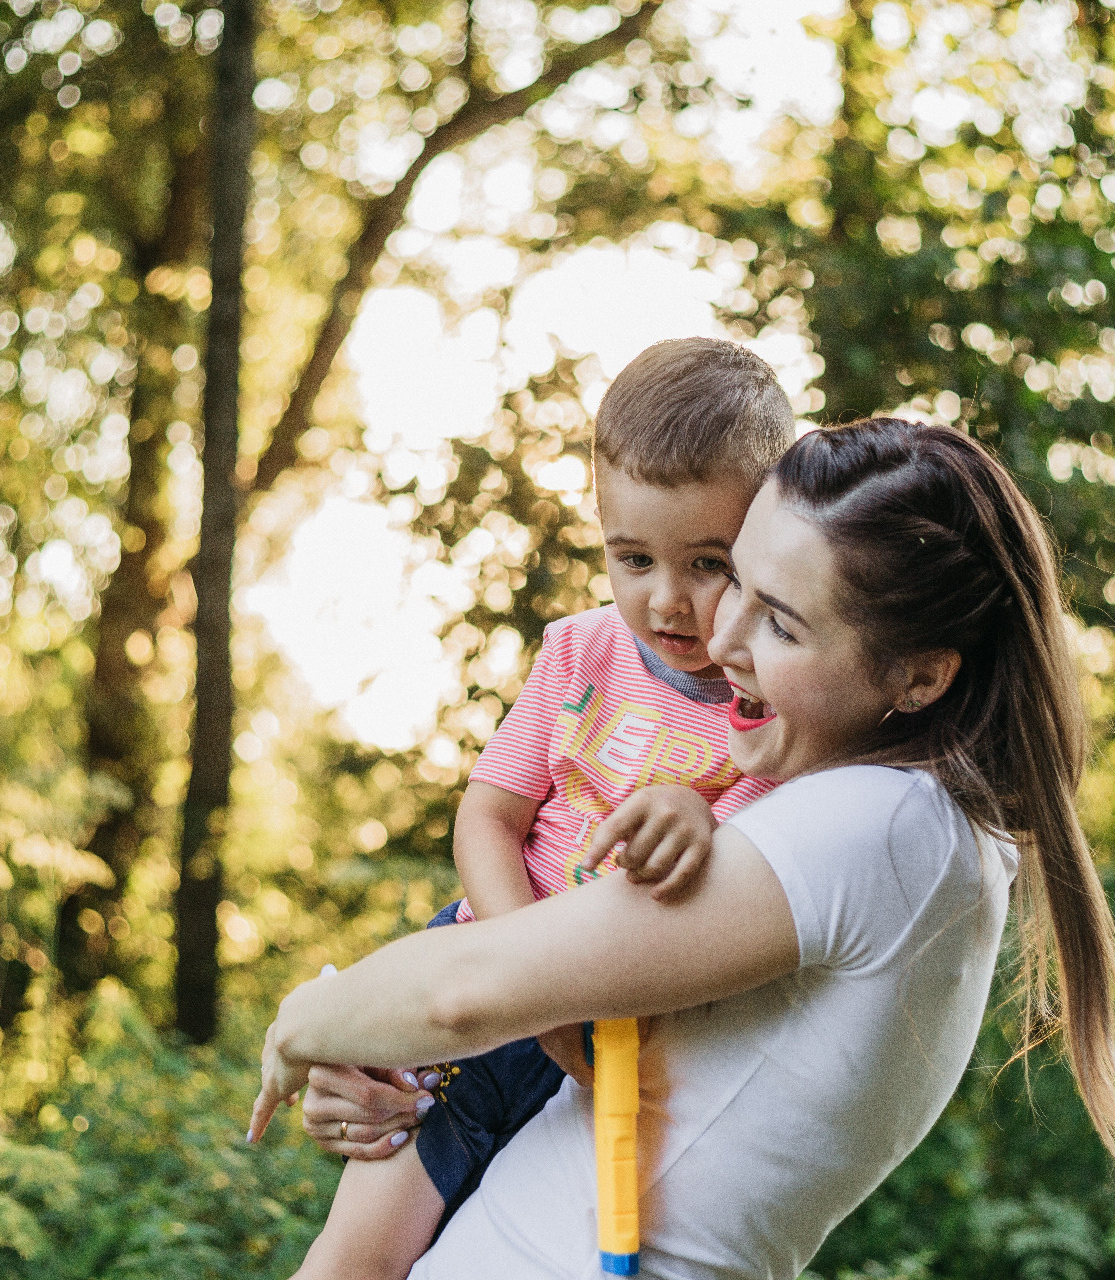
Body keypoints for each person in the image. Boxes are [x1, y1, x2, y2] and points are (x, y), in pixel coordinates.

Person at [251, 417, 1115, 1280]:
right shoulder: (890, 822)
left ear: (919, 677)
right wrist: (384, 1072)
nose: (718, 640)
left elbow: (461, 996)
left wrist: (307, 1024)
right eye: (741, 584)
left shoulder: (876, 828)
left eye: (780, 621)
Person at [288, 338, 797, 1280]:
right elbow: (488, 819)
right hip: (483, 1002)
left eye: (709, 564)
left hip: (625, 1039)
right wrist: (522, 973)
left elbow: (763, 869)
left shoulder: (775, 703)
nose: (667, 601)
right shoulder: (579, 653)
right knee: (354, 1258)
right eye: (633, 558)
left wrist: (697, 811)